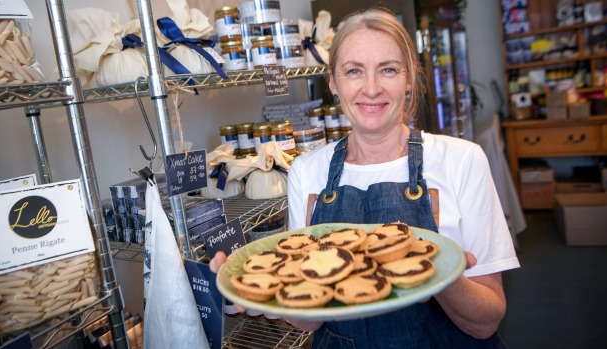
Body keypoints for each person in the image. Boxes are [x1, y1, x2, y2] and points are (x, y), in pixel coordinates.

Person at [211, 7, 519, 348]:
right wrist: (257, 288)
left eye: (387, 69)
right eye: (354, 71)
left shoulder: (462, 160)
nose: (371, 89)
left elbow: (485, 323)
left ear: (409, 78)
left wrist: (434, 272)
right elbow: (307, 321)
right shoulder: (308, 170)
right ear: (333, 82)